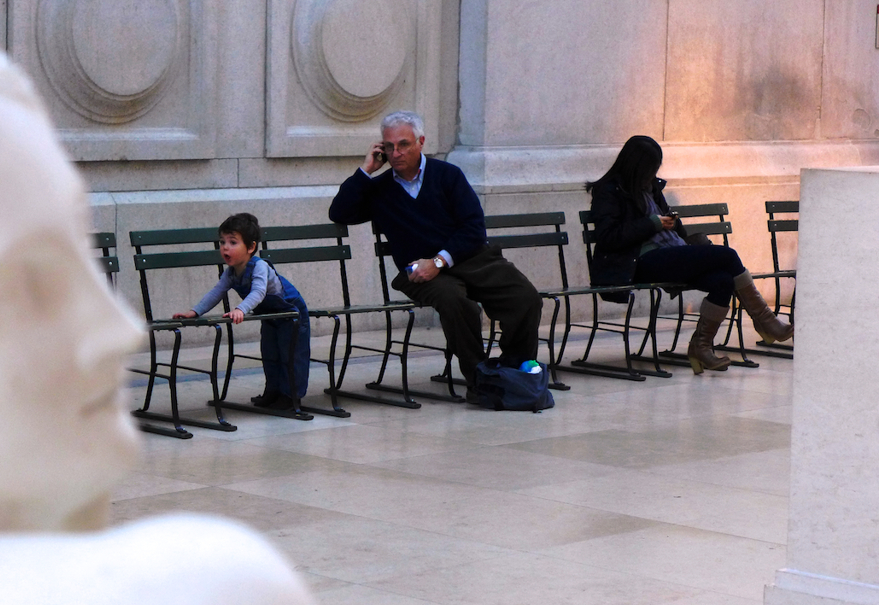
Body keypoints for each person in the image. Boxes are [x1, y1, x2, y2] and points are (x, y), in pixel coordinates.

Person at [0, 12, 330, 605]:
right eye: (29, 285)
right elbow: (225, 290)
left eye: (80, 252)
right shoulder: (209, 601)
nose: (118, 329)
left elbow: (252, 290)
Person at [329, 110, 542, 394]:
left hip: (471, 259)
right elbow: (339, 212)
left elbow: (473, 228)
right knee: (456, 302)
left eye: (403, 144)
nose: (396, 153)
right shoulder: (379, 189)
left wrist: (439, 261)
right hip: (418, 271)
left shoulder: (447, 175)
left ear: (421, 142)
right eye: (389, 146)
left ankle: (515, 368)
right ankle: (479, 376)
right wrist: (365, 171)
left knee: (525, 297)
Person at [586, 135, 794, 374]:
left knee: (722, 281)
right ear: (637, 167)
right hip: (638, 262)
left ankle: (701, 346)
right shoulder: (609, 191)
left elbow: (669, 225)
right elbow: (608, 237)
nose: (653, 175)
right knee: (727, 256)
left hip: (670, 253)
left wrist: (672, 223)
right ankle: (765, 320)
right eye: (650, 170)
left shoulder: (650, 187)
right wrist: (652, 223)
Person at [174, 213, 310, 410]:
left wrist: (241, 309)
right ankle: (272, 392)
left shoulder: (260, 266)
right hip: (271, 316)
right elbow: (216, 292)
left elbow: (259, 292)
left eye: (233, 242)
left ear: (251, 247)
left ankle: (290, 396)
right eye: (222, 242)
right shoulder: (230, 272)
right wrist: (195, 312)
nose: (225, 247)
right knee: (270, 352)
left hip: (291, 313)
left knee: (290, 354)